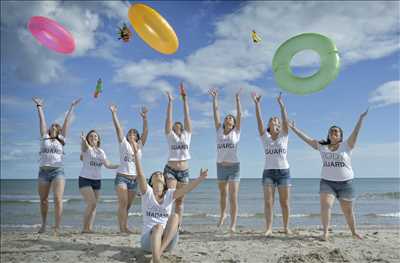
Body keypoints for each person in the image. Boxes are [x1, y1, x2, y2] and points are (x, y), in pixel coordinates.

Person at [289, 109, 368, 240]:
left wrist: (360, 119)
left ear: (340, 136)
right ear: (328, 135)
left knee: (347, 211)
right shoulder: (322, 146)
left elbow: (356, 132)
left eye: (336, 131)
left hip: (346, 183)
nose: (333, 132)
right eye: (331, 131)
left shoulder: (347, 145)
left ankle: (354, 232)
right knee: (326, 205)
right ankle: (325, 233)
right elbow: (307, 139)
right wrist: (294, 128)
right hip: (327, 182)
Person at [131, 139, 208, 263]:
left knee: (175, 216)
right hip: (148, 241)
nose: (159, 175)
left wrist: (200, 178)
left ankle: (159, 254)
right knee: (158, 227)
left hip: (168, 240)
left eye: (161, 174)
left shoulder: (170, 194)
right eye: (155, 174)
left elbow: (186, 189)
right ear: (150, 182)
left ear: (165, 182)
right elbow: (140, 175)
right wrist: (135, 155)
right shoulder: (147, 193)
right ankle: (156, 259)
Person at [32, 96, 81, 233]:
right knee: (43, 200)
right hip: (43, 172)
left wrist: (72, 107)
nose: (53, 126)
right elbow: (41, 121)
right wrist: (39, 107)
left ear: (59, 130)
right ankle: (43, 225)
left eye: (56, 125)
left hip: (58, 171)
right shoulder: (45, 137)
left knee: (58, 199)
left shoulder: (61, 139)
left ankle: (57, 227)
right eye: (52, 125)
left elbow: (67, 122)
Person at [252, 92, 291, 236]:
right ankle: (268, 228)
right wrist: (257, 105)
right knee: (268, 202)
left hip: (283, 172)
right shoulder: (265, 137)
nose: (274, 121)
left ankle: (286, 227)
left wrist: (281, 106)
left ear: (279, 125)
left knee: (284, 203)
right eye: (272, 120)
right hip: (268, 172)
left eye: (277, 121)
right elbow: (258, 121)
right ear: (269, 125)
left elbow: (286, 121)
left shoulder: (284, 136)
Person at [109, 104, 148, 233]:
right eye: (130, 133)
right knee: (123, 203)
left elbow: (146, 132)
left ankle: (123, 226)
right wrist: (114, 113)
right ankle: (122, 228)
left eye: (134, 133)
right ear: (127, 136)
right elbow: (118, 128)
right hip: (122, 177)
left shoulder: (139, 146)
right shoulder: (123, 144)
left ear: (137, 137)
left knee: (128, 205)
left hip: (134, 179)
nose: (132, 134)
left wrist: (145, 118)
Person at [208, 87, 242, 233]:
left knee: (233, 197)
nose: (228, 118)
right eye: (227, 117)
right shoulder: (219, 130)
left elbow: (240, 114)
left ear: (233, 123)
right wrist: (214, 98)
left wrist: (237, 100)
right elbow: (215, 113)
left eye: (230, 118)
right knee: (223, 194)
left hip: (234, 167)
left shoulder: (236, 132)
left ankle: (233, 224)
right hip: (220, 166)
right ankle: (223, 215)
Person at [164, 83, 192, 229]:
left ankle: (178, 227)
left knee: (180, 202)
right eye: (174, 127)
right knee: (170, 197)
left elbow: (187, 115)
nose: (176, 127)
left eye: (178, 126)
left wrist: (184, 99)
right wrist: (170, 102)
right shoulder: (170, 136)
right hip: (171, 170)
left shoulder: (187, 135)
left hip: (184, 172)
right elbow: (168, 120)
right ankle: (166, 225)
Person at [79, 130, 119, 233]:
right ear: (88, 139)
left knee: (94, 205)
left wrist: (120, 165)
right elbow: (84, 146)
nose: (93, 138)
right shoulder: (87, 149)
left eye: (95, 136)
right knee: (91, 203)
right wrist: (83, 140)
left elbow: (108, 165)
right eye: (91, 136)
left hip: (97, 181)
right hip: (85, 179)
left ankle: (89, 228)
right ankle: (84, 228)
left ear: (98, 140)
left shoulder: (101, 152)